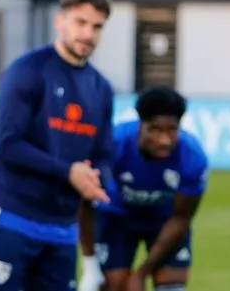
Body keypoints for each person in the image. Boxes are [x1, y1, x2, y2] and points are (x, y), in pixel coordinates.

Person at [0, 0, 115, 291]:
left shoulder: (101, 89)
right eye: (81, 22)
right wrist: (69, 172)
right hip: (14, 217)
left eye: (97, 26)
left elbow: (104, 153)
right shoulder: (26, 72)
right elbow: (8, 146)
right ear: (60, 21)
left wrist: (98, 180)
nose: (88, 34)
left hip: (64, 229)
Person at [78, 87, 209, 291]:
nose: (164, 140)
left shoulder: (192, 157)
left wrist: (141, 274)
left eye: (171, 130)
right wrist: (90, 264)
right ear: (141, 125)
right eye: (155, 130)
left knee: (172, 285)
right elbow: (85, 200)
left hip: (165, 220)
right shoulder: (114, 143)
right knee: (114, 285)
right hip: (117, 217)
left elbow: (182, 217)